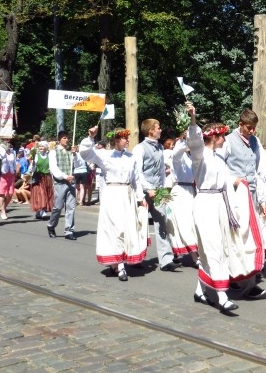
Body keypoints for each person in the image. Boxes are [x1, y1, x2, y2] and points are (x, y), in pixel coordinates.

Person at [185, 102, 243, 313]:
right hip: (205, 203)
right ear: (214, 137)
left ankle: (200, 290)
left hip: (219, 203)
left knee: (216, 247)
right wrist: (193, 117)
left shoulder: (219, 158)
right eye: (222, 135)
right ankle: (221, 295)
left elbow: (225, 181)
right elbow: (195, 141)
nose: (225, 139)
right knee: (213, 247)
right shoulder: (200, 155)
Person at [80, 127, 148, 281]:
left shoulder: (131, 157)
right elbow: (86, 154)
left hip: (127, 195)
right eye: (124, 138)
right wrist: (90, 137)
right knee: (115, 229)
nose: (127, 140)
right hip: (112, 194)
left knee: (127, 228)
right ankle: (120, 266)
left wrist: (140, 198)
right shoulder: (105, 155)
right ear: (117, 140)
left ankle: (116, 263)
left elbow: (136, 179)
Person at [220, 108, 266, 300]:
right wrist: (233, 180)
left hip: (252, 194)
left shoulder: (255, 142)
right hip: (235, 195)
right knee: (238, 236)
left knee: (251, 237)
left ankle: (245, 275)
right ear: (240, 124)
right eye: (249, 127)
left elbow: (260, 170)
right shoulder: (228, 142)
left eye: (254, 128)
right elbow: (220, 167)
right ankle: (241, 280)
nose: (252, 131)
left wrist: (265, 198)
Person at [132, 118, 179, 272]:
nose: (160, 130)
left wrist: (164, 188)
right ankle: (136, 257)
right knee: (140, 225)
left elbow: (160, 171)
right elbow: (137, 172)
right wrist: (147, 189)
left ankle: (166, 260)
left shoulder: (159, 147)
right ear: (151, 130)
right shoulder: (139, 148)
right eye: (158, 127)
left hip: (159, 190)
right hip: (143, 191)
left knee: (163, 222)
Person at [166, 135, 199, 262]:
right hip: (180, 192)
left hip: (191, 192)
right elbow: (178, 152)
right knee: (184, 223)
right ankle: (194, 256)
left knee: (193, 223)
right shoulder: (177, 158)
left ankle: (194, 251)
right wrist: (184, 140)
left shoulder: (191, 157)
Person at [48, 131, 77, 240]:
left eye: (68, 138)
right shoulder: (53, 152)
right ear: (59, 139)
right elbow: (53, 168)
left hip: (71, 183)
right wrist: (64, 176)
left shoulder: (71, 152)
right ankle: (51, 225)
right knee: (58, 207)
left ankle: (69, 231)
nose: (67, 140)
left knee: (71, 207)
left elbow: (77, 165)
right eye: (64, 138)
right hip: (60, 182)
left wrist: (75, 155)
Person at [29, 141, 52, 220]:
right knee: (41, 194)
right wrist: (33, 164)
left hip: (47, 177)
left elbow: (52, 166)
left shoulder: (49, 156)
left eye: (42, 147)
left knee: (47, 194)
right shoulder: (36, 156)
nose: (41, 148)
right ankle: (41, 211)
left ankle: (40, 211)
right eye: (40, 147)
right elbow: (32, 169)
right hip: (38, 177)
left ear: (46, 148)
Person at [0, 142, 17, 220]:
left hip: (11, 174)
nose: (8, 144)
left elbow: (14, 163)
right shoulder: (1, 152)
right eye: (6, 143)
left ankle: (4, 207)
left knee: (10, 194)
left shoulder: (12, 152)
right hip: (3, 174)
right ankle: (3, 211)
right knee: (2, 193)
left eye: (9, 143)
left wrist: (15, 172)